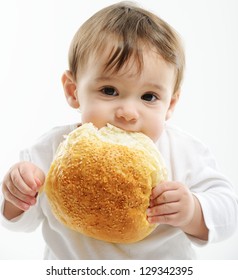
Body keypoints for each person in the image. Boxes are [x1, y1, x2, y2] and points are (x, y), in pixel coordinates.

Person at [0, 1, 237, 259]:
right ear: (73, 91)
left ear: (171, 104)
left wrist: (193, 211)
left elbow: (228, 211)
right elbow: (17, 221)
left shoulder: (183, 151)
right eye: (109, 91)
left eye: (149, 97)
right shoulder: (53, 149)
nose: (128, 112)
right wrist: (17, 194)